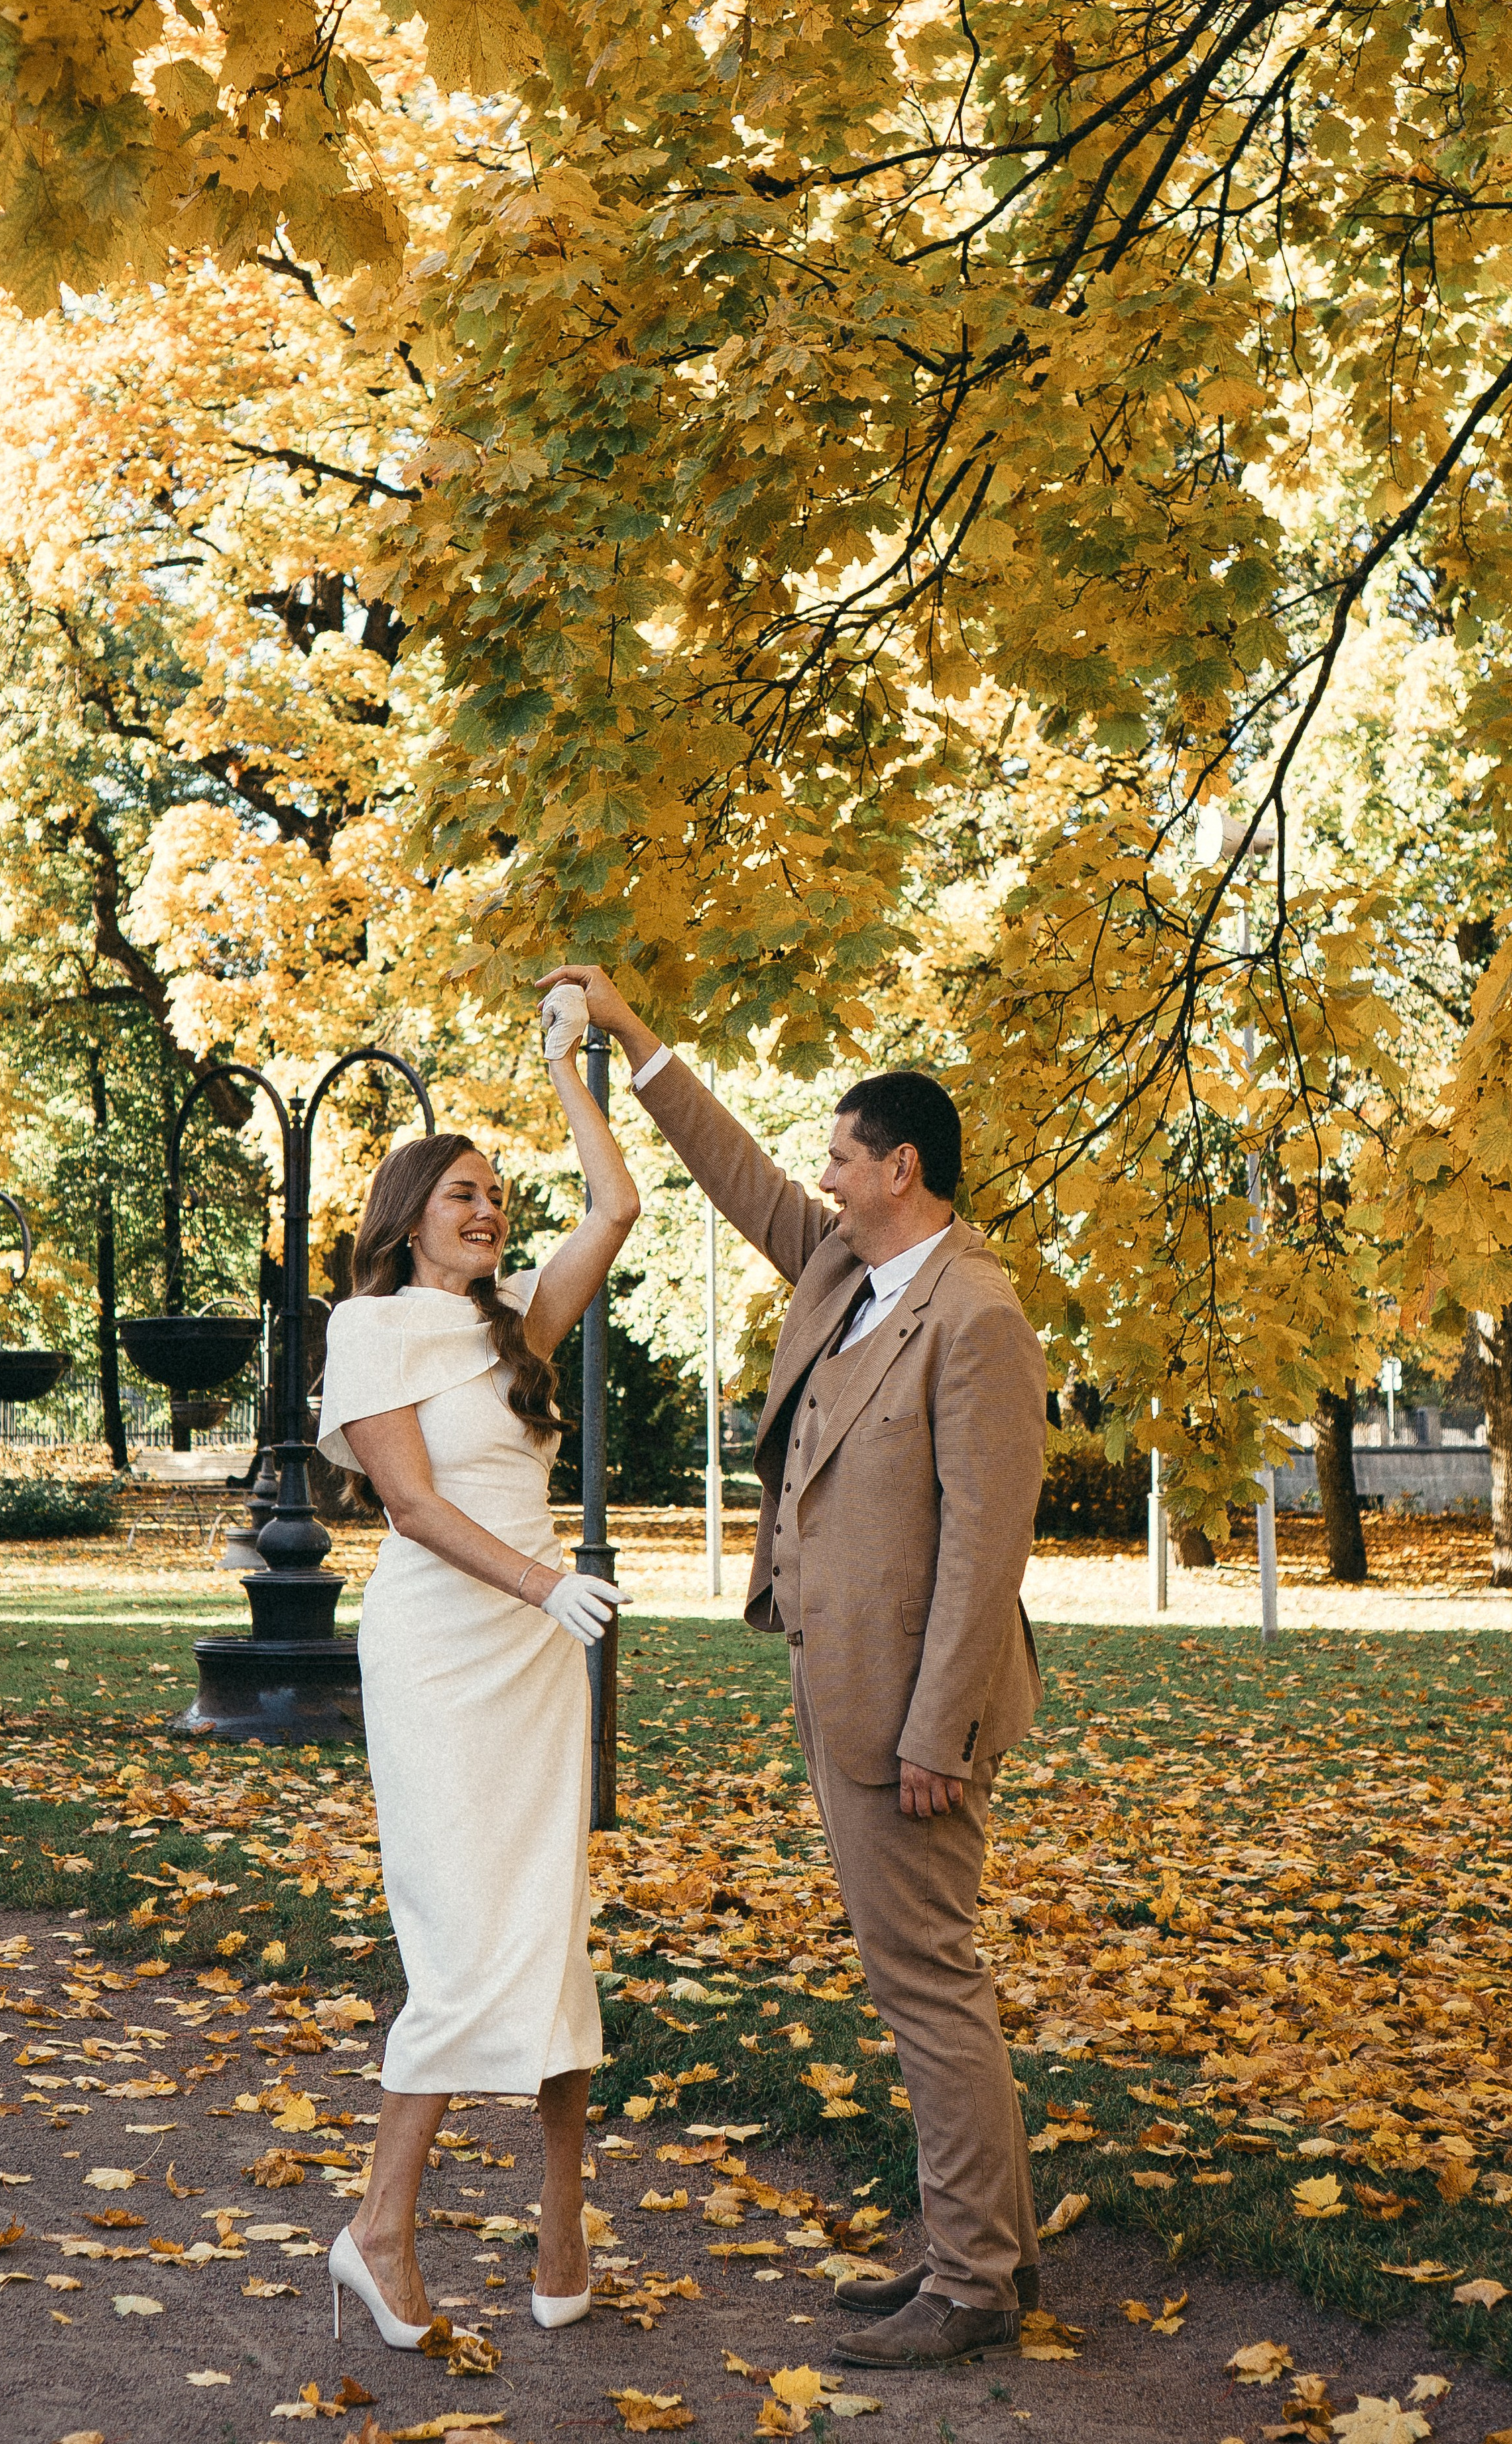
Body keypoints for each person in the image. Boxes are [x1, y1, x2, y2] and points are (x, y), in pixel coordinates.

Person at [537, 963, 1049, 2369]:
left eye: (839, 1154)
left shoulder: (976, 1317)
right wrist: (637, 1040)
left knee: (925, 1980)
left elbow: (981, 1555)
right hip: (835, 1684)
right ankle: (975, 2255)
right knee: (913, 1977)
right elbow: (732, 1170)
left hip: (912, 1715)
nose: (817, 1176)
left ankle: (972, 2284)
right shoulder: (846, 1270)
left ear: (899, 1167)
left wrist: (937, 1729)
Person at [314, 1003, 638, 2349]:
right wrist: (543, 1583)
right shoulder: (371, 1328)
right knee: (461, 1939)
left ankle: (560, 2226)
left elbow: (612, 1207)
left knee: (546, 1924)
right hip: (451, 1644)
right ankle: (378, 2228)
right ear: (408, 1213)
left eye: (500, 1196)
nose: (491, 1210)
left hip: (538, 1649)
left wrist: (571, 1065)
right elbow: (404, 1506)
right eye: (464, 1193)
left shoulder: (514, 1334)